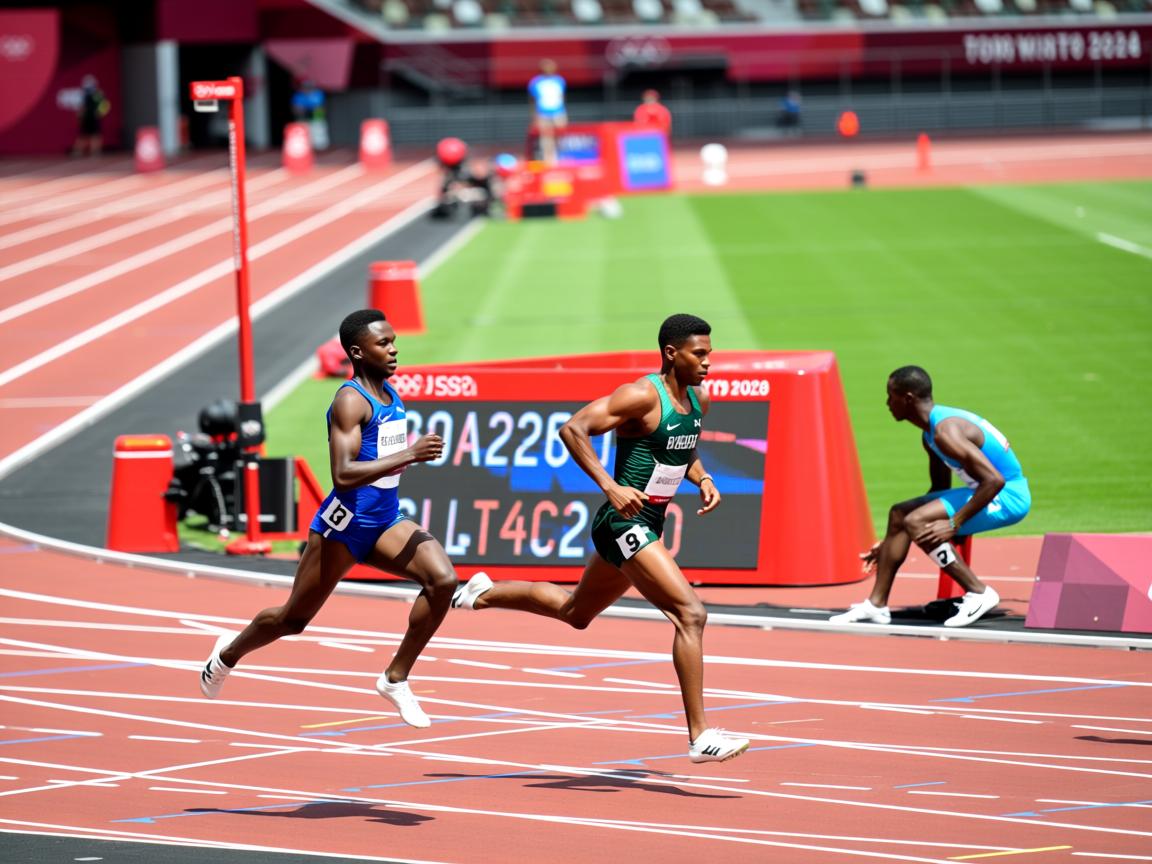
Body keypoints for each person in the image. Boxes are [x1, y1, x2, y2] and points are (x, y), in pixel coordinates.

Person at [452, 314, 750, 764]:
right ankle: (699, 736)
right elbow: (572, 429)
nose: (709, 362)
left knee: (577, 612)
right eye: (700, 354)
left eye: (711, 353)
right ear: (672, 353)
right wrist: (610, 486)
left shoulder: (698, 401)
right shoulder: (639, 395)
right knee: (691, 613)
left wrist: (702, 477)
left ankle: (484, 591)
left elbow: (682, 447)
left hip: (649, 522)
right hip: (622, 522)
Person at [199, 309, 459, 728]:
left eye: (394, 341)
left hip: (385, 519)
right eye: (383, 344)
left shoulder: (390, 394)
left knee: (443, 580)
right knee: (292, 619)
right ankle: (227, 654)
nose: (393, 350)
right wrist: (410, 453)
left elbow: (380, 458)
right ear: (358, 352)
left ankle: (395, 679)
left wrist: (402, 458)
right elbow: (343, 473)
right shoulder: (351, 400)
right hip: (345, 525)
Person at [831, 366, 1031, 628]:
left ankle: (979, 593)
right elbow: (939, 487)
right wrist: (893, 538)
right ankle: (876, 606)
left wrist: (953, 523)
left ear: (908, 398)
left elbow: (995, 480)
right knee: (900, 514)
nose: (887, 403)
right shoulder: (931, 435)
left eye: (891, 396)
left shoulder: (945, 433)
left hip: (1008, 497)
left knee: (916, 522)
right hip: (985, 490)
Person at [527, 59, 567, 164]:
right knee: (546, 138)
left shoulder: (559, 80)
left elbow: (561, 97)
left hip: (558, 112)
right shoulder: (536, 82)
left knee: (560, 135)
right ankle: (549, 160)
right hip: (543, 114)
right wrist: (535, 116)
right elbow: (533, 100)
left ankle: (561, 157)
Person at [73, 75, 110, 156]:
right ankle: (80, 151)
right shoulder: (86, 94)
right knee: (85, 135)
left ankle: (94, 151)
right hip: (88, 117)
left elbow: (105, 104)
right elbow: (82, 107)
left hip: (92, 117)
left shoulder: (96, 94)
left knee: (93, 135)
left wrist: (100, 113)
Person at [292, 79, 329, 150]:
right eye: (305, 87)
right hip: (304, 116)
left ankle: (320, 147)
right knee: (302, 130)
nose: (307, 89)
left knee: (318, 130)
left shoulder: (318, 94)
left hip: (316, 116)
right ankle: (303, 146)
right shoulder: (298, 96)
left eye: (309, 87)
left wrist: (317, 111)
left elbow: (322, 107)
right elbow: (296, 108)